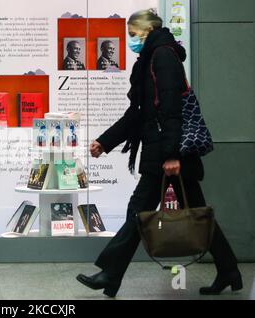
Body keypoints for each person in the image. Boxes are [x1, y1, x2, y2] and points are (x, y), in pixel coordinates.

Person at [76, 9, 242, 297]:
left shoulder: (163, 56)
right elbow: (140, 114)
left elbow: (171, 109)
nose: (130, 41)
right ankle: (229, 270)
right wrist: (105, 141)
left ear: (147, 31)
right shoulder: (151, 58)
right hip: (164, 152)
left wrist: (171, 155)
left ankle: (110, 274)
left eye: (132, 35)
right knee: (196, 213)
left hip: (168, 155)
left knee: (138, 212)